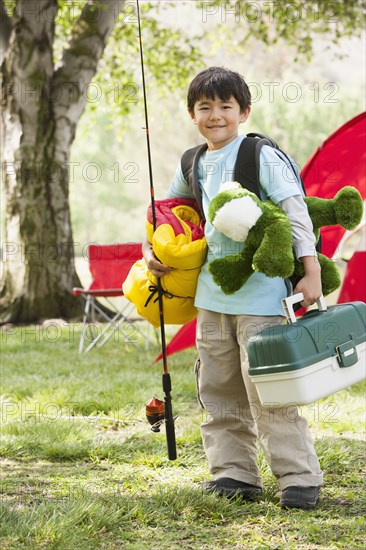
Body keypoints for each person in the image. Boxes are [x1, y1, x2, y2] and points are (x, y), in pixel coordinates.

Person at [143, 66, 323, 510]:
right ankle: (233, 475)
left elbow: (294, 210)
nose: (216, 115)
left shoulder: (260, 155)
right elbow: (168, 215)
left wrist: (310, 269)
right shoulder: (193, 162)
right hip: (210, 300)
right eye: (205, 107)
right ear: (192, 114)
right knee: (219, 390)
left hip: (263, 298)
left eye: (226, 106)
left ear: (243, 111)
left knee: (270, 391)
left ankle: (298, 479)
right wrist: (153, 253)